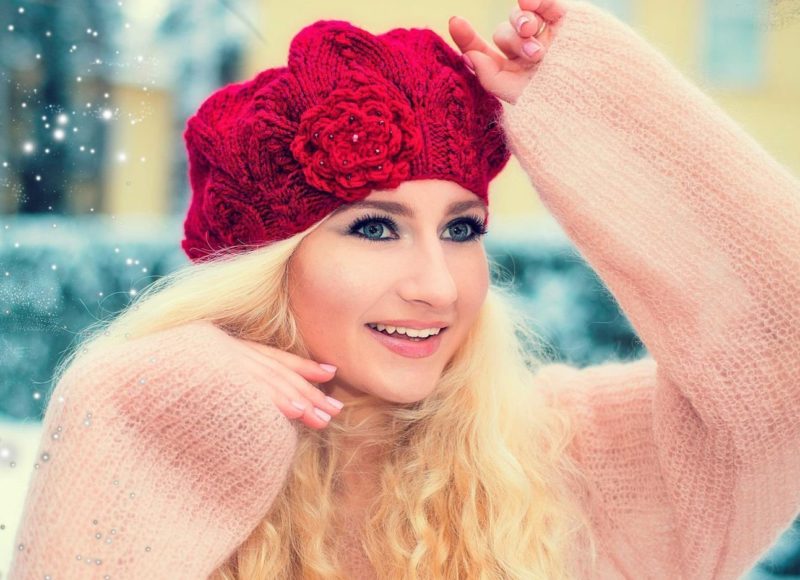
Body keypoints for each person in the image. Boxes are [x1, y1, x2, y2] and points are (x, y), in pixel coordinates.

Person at [8, 0, 800, 578]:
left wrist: (609, 113)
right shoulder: (164, 471)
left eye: (461, 230)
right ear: (267, 265)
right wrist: (135, 404)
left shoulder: (573, 463)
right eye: (375, 228)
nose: (437, 287)